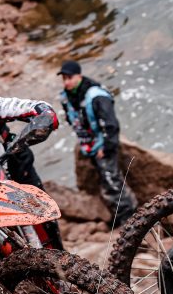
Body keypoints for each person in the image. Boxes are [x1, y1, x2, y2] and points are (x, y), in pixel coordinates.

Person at [57, 60, 138, 227]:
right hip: (89, 144)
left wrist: (106, 148)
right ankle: (118, 215)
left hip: (103, 144)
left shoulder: (96, 96)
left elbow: (111, 124)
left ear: (79, 75)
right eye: (64, 78)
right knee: (105, 179)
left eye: (69, 77)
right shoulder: (66, 96)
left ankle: (128, 219)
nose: (66, 82)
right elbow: (72, 119)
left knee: (112, 181)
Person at [0, 96, 63, 248]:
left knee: (43, 215)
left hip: (9, 167)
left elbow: (34, 107)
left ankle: (59, 259)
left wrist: (44, 114)